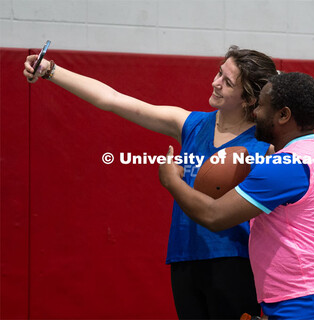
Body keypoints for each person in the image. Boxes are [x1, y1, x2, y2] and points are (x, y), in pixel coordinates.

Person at [23, 46, 278, 319]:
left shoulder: (265, 147)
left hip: (235, 263)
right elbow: (112, 99)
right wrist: (51, 71)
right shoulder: (189, 124)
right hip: (184, 259)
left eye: (227, 82)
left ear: (249, 99)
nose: (215, 83)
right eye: (219, 72)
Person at [159, 72, 314, 320]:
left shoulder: (285, 166)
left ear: (283, 115)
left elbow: (214, 215)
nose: (254, 113)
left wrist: (171, 180)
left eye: (261, 106)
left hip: (308, 302)